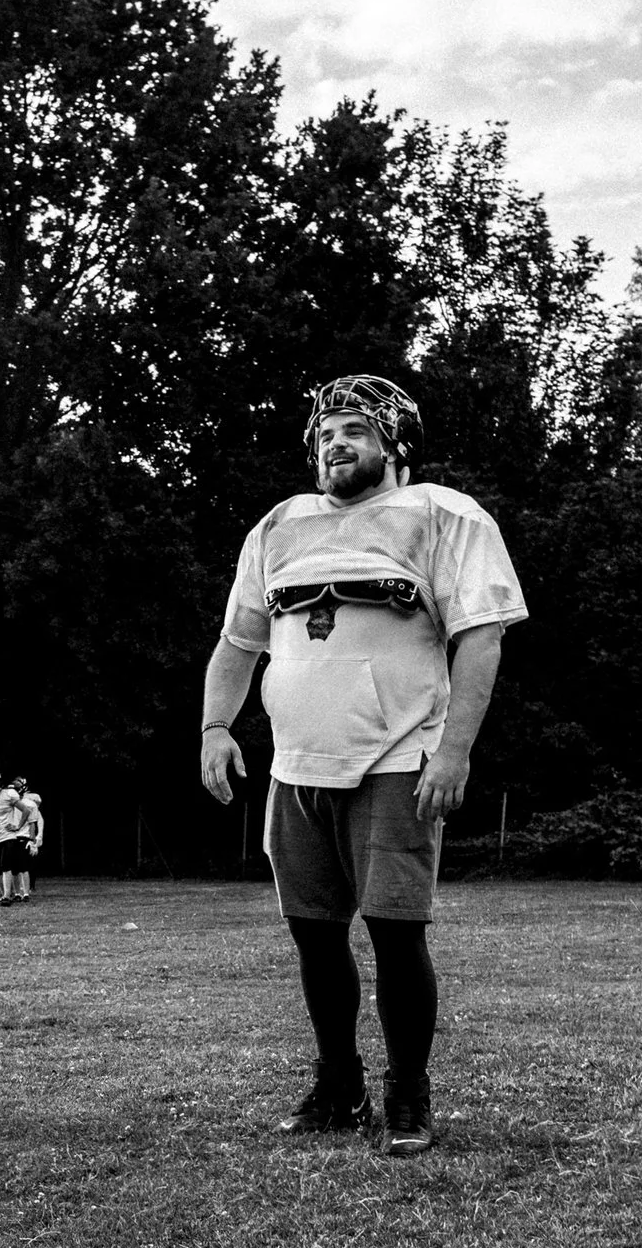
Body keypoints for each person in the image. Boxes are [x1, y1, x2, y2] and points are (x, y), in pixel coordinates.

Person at [199, 374, 525, 1158]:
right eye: (325, 433)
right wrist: (215, 724)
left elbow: (481, 635)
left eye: (353, 430)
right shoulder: (277, 526)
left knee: (394, 930)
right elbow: (239, 642)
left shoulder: (443, 514)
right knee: (314, 936)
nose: (334, 444)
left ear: (394, 442)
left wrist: (453, 751)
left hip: (398, 757)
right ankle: (338, 1086)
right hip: (296, 767)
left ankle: (407, 1095)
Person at [0, 776, 30, 907]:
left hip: (8, 835)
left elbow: (26, 810)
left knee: (6, 864)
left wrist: (17, 826)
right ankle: (5, 894)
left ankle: (7, 896)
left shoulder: (8, 795)